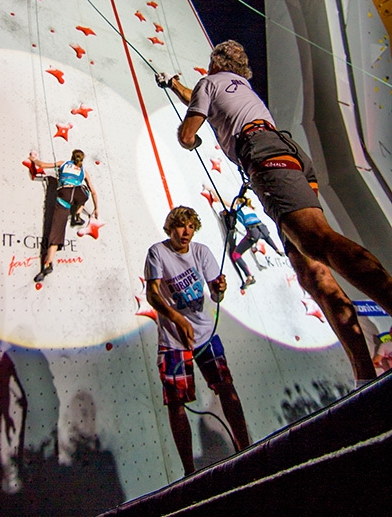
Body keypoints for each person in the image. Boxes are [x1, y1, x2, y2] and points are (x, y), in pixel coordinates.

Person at [157, 40, 392, 384]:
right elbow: (201, 97)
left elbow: (189, 131)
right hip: (284, 149)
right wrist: (175, 84)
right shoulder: (239, 86)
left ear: (213, 64)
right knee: (314, 275)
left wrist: (190, 139)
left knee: (315, 240)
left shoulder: (209, 84)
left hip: (262, 154)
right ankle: (364, 377)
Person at [145, 206, 250, 475]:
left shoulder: (202, 251)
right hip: (173, 341)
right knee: (176, 403)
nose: (186, 232)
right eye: (181, 226)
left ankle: (247, 451)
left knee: (226, 386)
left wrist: (219, 290)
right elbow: (152, 294)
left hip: (205, 334)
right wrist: (177, 319)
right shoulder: (157, 252)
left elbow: (216, 296)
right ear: (171, 227)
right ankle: (189, 473)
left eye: (191, 227)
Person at [28, 149, 98, 281]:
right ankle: (77, 214)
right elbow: (93, 192)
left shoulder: (63, 163)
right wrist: (96, 208)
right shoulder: (84, 172)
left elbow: (42, 165)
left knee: (56, 229)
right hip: (78, 194)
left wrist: (33, 159)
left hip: (64, 196)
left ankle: (48, 262)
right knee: (85, 192)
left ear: (71, 157)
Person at [233, 195, 284, 265]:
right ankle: (277, 249)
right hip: (262, 228)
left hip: (253, 231)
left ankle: (249, 276)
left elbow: (223, 202)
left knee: (236, 255)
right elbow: (267, 237)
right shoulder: (250, 208)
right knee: (266, 237)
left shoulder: (238, 207)